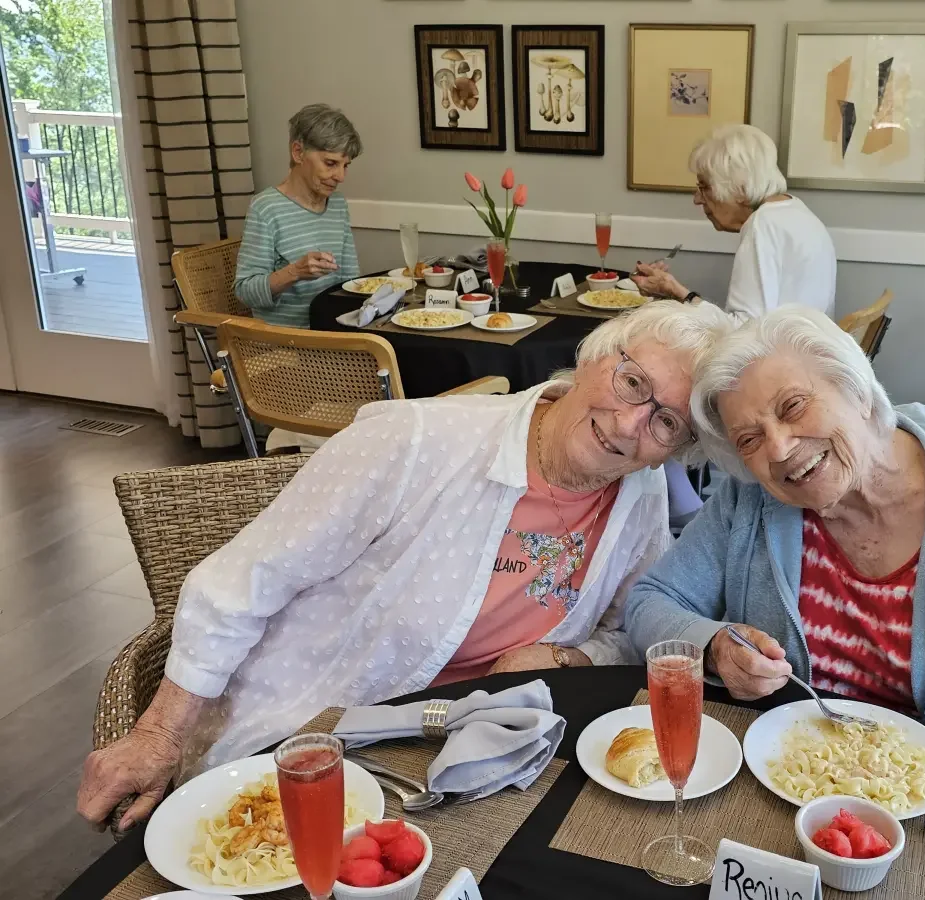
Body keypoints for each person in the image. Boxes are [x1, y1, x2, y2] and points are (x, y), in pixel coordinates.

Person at [77, 300, 730, 832]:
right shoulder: (416, 442)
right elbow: (243, 580)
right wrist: (158, 732)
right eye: (633, 382)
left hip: (483, 756)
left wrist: (569, 659)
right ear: (594, 357)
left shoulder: (638, 497)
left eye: (666, 421)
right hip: (323, 736)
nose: (630, 420)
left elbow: (629, 630)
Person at [625, 307, 925, 810]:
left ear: (857, 390)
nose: (778, 448)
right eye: (749, 439)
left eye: (793, 406)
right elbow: (649, 602)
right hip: (804, 782)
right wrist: (716, 646)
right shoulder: (750, 499)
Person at [631, 125, 836, 324]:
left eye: (704, 187)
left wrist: (678, 293)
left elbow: (743, 332)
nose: (697, 199)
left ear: (740, 188)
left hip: (781, 356)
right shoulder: (795, 212)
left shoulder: (764, 224)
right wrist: (673, 293)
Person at [234, 103, 362, 328]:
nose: (340, 176)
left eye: (345, 166)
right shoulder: (266, 208)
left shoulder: (337, 204)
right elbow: (245, 292)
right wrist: (295, 272)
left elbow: (350, 282)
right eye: (330, 163)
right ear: (298, 152)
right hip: (287, 345)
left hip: (333, 335)